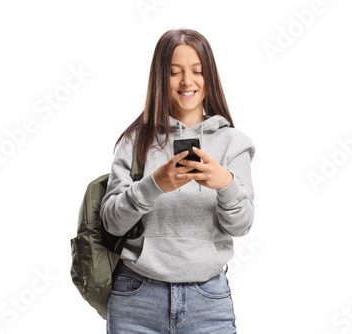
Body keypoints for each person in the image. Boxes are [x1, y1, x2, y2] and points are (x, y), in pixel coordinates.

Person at [100, 28, 255, 334]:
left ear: (209, 76)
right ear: (160, 78)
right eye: (174, 72)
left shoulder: (233, 143)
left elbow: (241, 225)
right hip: (136, 298)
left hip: (209, 301)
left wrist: (226, 183)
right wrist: (154, 184)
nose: (187, 81)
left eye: (197, 71)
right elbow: (112, 223)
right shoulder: (136, 141)